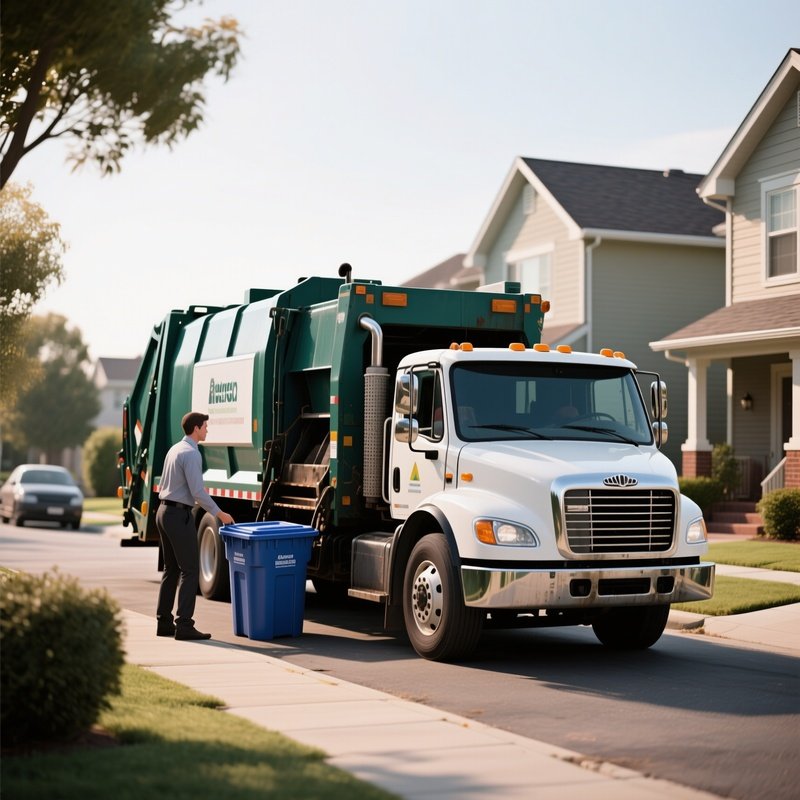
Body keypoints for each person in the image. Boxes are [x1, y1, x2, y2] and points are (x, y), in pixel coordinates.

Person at [155, 411, 234, 640]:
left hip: (163, 512)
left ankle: (164, 622)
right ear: (196, 428)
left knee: (171, 569)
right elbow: (198, 492)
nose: (207, 429)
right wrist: (220, 514)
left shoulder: (175, 449)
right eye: (205, 426)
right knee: (190, 570)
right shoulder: (191, 453)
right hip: (178, 516)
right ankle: (185, 625)